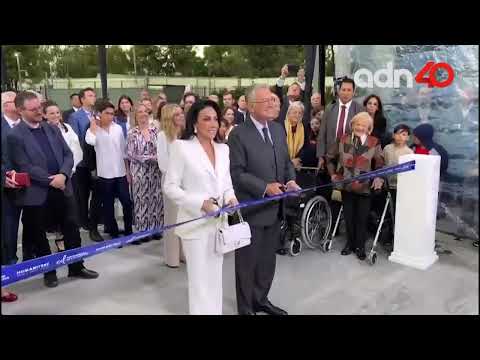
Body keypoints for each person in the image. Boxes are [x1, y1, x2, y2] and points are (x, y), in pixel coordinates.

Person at [8, 91, 99, 287]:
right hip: (37, 193)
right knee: (40, 236)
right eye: (33, 110)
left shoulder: (51, 128)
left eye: (39, 107)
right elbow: (24, 166)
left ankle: (76, 266)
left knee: (72, 229)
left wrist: (63, 175)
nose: (39, 111)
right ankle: (49, 272)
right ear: (21, 110)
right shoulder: (15, 136)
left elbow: (68, 154)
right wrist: (51, 180)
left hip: (62, 187)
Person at [228, 84, 300, 315]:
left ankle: (261, 299)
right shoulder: (239, 134)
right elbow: (237, 173)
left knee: (267, 261)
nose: (273, 103)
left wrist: (290, 181)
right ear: (250, 106)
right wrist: (264, 188)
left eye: (273, 100)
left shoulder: (278, 129)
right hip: (252, 210)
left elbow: (286, 162)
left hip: (276, 209)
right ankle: (246, 308)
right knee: (247, 263)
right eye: (266, 101)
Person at [163, 100, 239, 315]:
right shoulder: (181, 147)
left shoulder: (223, 149)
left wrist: (231, 198)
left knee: (215, 279)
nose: (213, 123)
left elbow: (225, 183)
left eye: (216, 118)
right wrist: (200, 203)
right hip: (194, 225)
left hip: (219, 224)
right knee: (199, 282)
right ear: (194, 123)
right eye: (206, 119)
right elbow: (170, 187)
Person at [326, 112, 385, 260]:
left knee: (361, 218)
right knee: (349, 217)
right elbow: (329, 157)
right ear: (352, 125)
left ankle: (360, 246)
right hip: (346, 185)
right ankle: (350, 244)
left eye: (363, 125)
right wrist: (333, 174)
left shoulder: (374, 142)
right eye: (357, 124)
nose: (360, 127)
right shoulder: (343, 138)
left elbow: (379, 163)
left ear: (369, 128)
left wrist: (378, 176)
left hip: (364, 187)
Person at [85, 99, 133, 239]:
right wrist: (94, 125)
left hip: (120, 173)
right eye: (107, 113)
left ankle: (129, 230)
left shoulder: (117, 128)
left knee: (126, 202)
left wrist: (127, 171)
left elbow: (124, 151)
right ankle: (113, 232)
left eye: (112, 113)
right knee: (108, 205)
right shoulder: (92, 131)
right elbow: (91, 141)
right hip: (105, 175)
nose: (111, 116)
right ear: (99, 114)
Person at [43, 100, 83, 251]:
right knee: (56, 213)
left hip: (69, 175)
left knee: (71, 213)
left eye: (57, 112)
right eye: (51, 113)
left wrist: (68, 171)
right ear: (45, 115)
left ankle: (73, 246)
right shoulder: (43, 131)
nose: (55, 115)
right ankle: (59, 239)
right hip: (52, 179)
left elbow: (76, 150)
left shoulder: (68, 128)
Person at [69, 87, 103, 241]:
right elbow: (76, 140)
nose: (93, 97)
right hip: (83, 163)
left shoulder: (98, 114)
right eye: (90, 95)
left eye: (94, 95)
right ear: (82, 99)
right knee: (83, 195)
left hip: (99, 160)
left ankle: (95, 221)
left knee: (97, 194)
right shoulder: (75, 117)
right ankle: (84, 221)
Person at [127, 104, 163, 244]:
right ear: (135, 116)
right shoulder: (132, 133)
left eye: (145, 111)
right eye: (139, 111)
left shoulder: (156, 130)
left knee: (155, 199)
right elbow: (130, 154)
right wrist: (149, 158)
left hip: (155, 172)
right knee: (142, 201)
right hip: (140, 171)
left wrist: (158, 157)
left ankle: (156, 229)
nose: (143, 114)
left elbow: (161, 148)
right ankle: (143, 231)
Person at [157, 104, 187, 268]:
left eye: (181, 113)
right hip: (171, 182)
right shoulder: (163, 136)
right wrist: (179, 174)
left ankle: (183, 254)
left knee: (185, 219)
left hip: (186, 183)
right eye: (177, 114)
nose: (181, 116)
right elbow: (163, 164)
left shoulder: (185, 134)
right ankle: (172, 257)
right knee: (172, 220)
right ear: (169, 117)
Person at [316, 77, 363, 171]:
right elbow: (322, 133)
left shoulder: (359, 110)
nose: (346, 93)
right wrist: (320, 156)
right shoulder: (330, 108)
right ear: (339, 91)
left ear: (353, 92)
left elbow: (361, 136)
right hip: (330, 157)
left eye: (349, 90)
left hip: (349, 158)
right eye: (343, 90)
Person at [382, 124, 413, 247]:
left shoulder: (409, 152)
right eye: (398, 133)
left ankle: (398, 238)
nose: (400, 137)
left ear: (408, 138)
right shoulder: (387, 149)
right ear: (393, 135)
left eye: (404, 134)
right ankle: (388, 235)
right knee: (388, 212)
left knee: (398, 213)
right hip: (388, 186)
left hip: (401, 188)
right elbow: (383, 164)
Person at [1, 91, 22, 265]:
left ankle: (32, 258)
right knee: (9, 227)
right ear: (6, 105)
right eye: (16, 101)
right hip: (7, 188)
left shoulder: (29, 125)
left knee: (34, 225)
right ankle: (10, 262)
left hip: (33, 185)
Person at [284, 101, 305, 171]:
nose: (297, 115)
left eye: (300, 113)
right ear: (288, 113)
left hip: (296, 164)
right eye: (295, 112)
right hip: (283, 163)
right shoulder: (281, 126)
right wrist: (290, 162)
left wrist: (298, 159)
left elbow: (306, 147)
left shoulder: (303, 127)